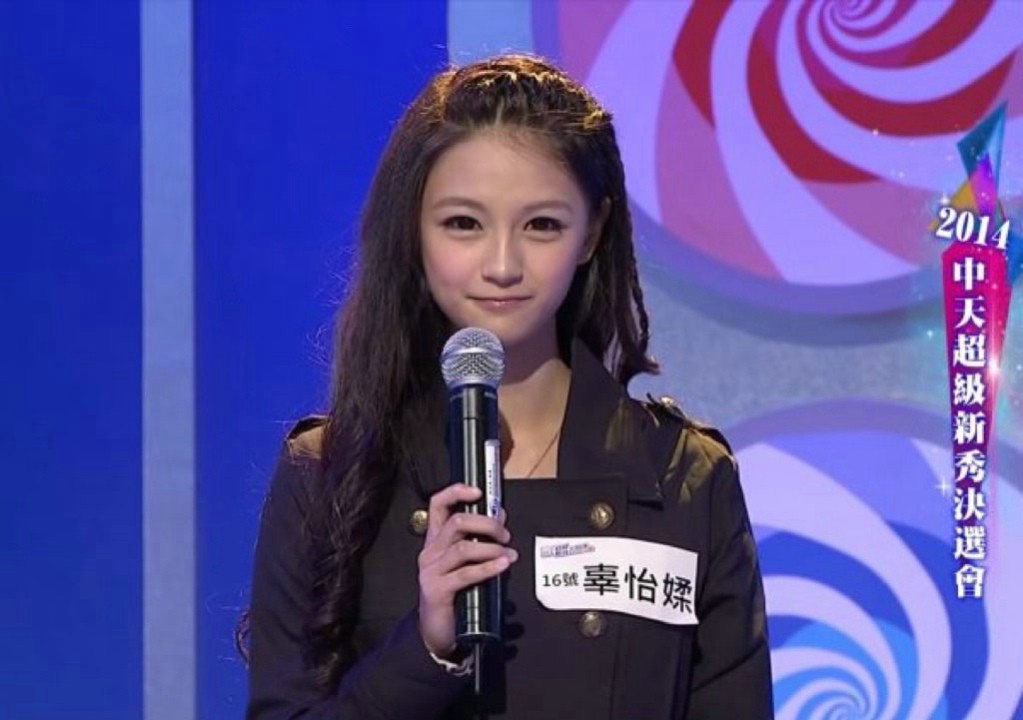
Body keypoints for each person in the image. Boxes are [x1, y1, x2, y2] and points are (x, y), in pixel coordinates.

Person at [238, 52, 773, 719]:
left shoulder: (683, 479)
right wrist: (426, 650)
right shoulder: (329, 474)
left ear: (591, 232)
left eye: (541, 225)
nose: (501, 265)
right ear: (414, 230)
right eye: (463, 223)